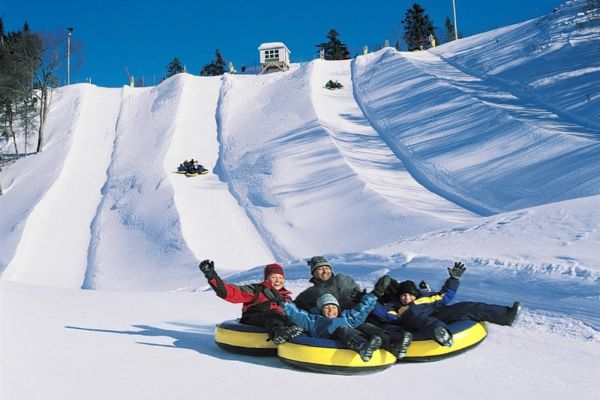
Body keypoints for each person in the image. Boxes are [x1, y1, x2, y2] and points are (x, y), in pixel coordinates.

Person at [371, 262, 521, 347]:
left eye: (409, 295)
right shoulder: (398, 309)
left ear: (415, 294)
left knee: (466, 307)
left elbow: (445, 295)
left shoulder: (426, 298)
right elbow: (385, 314)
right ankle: (441, 334)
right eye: (403, 295)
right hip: (415, 320)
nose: (406, 298)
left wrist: (454, 279)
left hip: (438, 313)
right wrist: (370, 299)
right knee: (420, 318)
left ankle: (506, 315)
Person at [264, 276, 411, 361]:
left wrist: (376, 293)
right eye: (327, 307)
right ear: (321, 310)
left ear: (338, 309)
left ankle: (392, 343)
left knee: (366, 327)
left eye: (333, 307)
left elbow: (363, 308)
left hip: (355, 331)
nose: (330, 309)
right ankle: (361, 347)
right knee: (344, 329)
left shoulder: (347, 316)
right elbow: (296, 313)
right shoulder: (313, 320)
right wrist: (281, 302)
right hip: (335, 339)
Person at [199, 259, 302, 344]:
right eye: (274, 277)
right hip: (256, 318)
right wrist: (212, 275)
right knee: (273, 314)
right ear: (267, 278)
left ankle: (296, 336)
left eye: (281, 278)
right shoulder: (256, 289)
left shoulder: (286, 296)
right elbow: (230, 293)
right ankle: (279, 335)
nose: (278, 280)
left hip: (278, 320)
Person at [293, 256, 362, 312]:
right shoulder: (309, 293)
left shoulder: (343, 281)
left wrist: (361, 297)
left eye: (327, 268)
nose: (325, 271)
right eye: (320, 269)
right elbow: (294, 309)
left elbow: (361, 300)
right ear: (313, 273)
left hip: (353, 318)